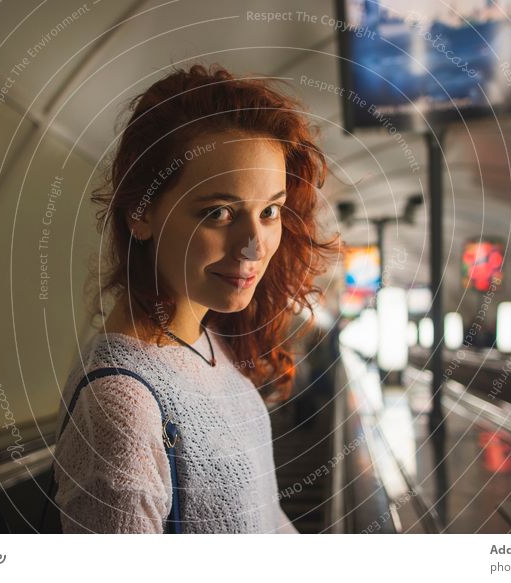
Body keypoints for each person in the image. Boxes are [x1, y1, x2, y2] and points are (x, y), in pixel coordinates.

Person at [53, 64, 342, 533]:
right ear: (140, 215)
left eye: (269, 211)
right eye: (219, 212)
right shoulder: (121, 407)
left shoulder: (205, 341)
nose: (254, 246)